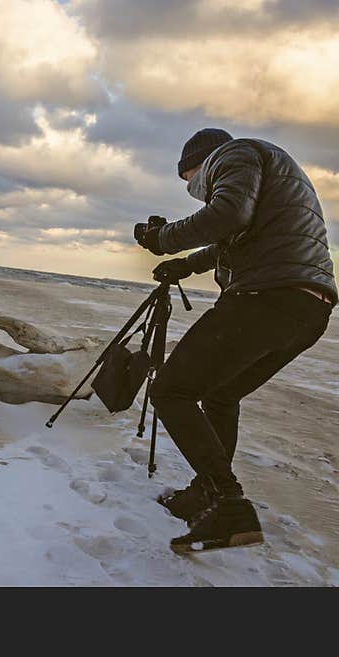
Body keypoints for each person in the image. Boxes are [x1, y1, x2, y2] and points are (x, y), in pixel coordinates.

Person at [134, 128, 336, 553]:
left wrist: (162, 237)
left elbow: (227, 216)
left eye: (188, 180)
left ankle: (228, 503)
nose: (193, 190)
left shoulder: (234, 153)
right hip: (308, 308)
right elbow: (233, 237)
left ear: (197, 163)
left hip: (266, 298)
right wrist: (182, 265)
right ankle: (206, 494)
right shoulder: (268, 168)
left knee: (171, 390)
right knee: (222, 395)